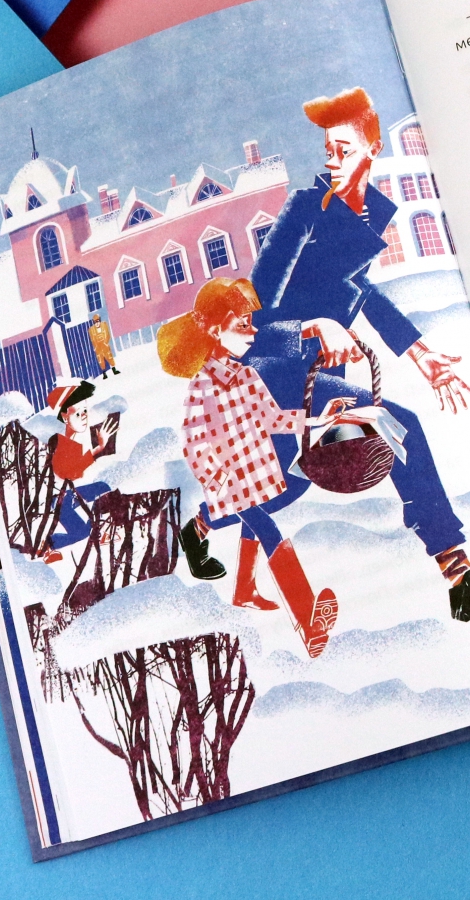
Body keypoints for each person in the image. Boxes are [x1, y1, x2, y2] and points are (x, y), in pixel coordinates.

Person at [244, 87, 470, 635]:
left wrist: (421, 353)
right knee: (394, 428)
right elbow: (252, 315)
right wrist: (314, 325)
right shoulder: (305, 209)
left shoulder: (368, 214)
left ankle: (461, 580)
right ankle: (461, 579)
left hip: (319, 374)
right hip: (274, 368)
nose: (333, 161)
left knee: (285, 484)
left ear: (372, 149)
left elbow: (363, 292)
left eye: (345, 150)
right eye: (329, 150)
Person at [158, 277, 356, 658]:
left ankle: (243, 588)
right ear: (215, 331)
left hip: (259, 473)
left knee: (263, 516)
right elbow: (193, 441)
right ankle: (307, 621)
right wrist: (218, 479)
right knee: (268, 529)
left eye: (251, 323)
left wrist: (318, 419)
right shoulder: (202, 387)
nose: (252, 332)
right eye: (242, 325)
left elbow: (274, 418)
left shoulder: (248, 376)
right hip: (232, 483)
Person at [44, 380, 119, 563]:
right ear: (65, 417)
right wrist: (98, 449)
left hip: (67, 494)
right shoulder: (60, 441)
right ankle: (48, 545)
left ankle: (100, 530)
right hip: (60, 499)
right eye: (78, 413)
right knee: (81, 530)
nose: (84, 416)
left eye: (84, 411)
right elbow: (68, 473)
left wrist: (99, 447)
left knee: (104, 488)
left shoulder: (73, 439)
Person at [88, 312, 120, 378]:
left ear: (100, 320)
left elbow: (107, 334)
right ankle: (104, 374)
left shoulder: (104, 325)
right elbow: (92, 339)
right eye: (95, 322)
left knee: (109, 357)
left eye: (98, 321)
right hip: (98, 346)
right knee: (101, 360)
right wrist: (96, 346)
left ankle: (114, 370)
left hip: (104, 344)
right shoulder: (91, 330)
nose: (97, 323)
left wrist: (105, 342)